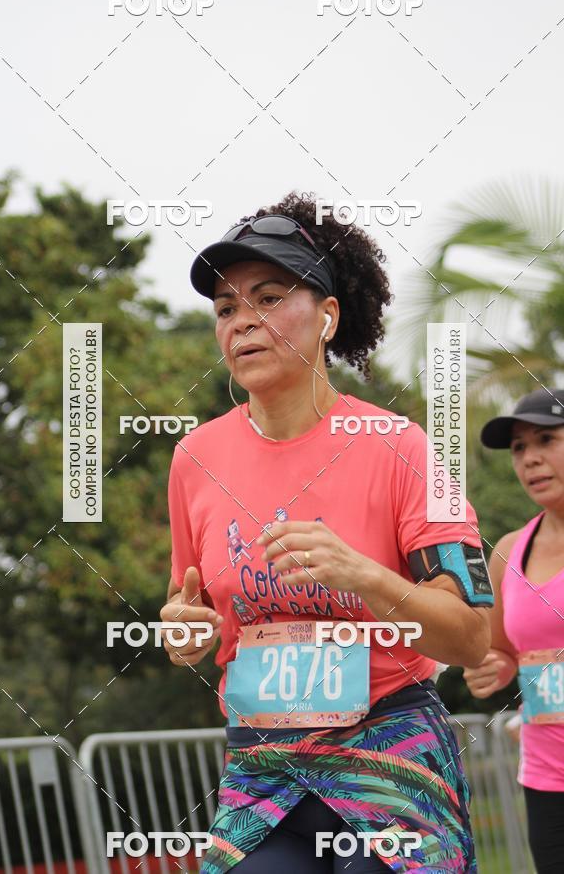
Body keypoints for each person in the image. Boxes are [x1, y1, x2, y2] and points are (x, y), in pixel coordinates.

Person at [160, 191, 494, 873]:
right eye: (226, 309)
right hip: (265, 768)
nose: (242, 322)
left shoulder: (398, 446)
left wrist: (362, 576)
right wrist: (184, 636)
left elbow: (470, 636)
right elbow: (189, 611)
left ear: (328, 315)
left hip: (387, 757)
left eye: (269, 297)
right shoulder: (195, 458)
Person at [464, 389, 564, 874]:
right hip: (547, 779)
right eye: (520, 448)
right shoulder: (506, 550)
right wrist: (492, 668)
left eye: (546, 439)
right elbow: (501, 651)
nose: (531, 458)